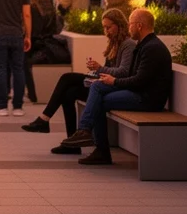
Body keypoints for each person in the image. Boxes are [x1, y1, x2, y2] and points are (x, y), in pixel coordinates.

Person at [61, 8, 173, 165]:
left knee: (99, 99)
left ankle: (94, 142)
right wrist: (110, 80)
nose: (129, 28)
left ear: (139, 26)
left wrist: (114, 81)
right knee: (97, 87)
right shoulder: (144, 45)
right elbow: (134, 78)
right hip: (138, 92)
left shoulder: (152, 48)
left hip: (147, 99)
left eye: (131, 24)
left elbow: (139, 81)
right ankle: (87, 134)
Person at [21, 8, 136, 154]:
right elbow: (108, 70)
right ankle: (70, 144)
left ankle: (44, 119)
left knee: (67, 78)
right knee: (68, 93)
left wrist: (99, 69)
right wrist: (95, 72)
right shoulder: (114, 44)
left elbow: (123, 72)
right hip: (104, 84)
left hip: (113, 88)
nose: (106, 31)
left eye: (109, 27)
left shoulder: (127, 44)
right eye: (104, 28)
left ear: (119, 25)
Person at [23, 0, 67, 104]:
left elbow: (35, 30)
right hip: (49, 43)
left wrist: (27, 38)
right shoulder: (50, 7)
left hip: (37, 43)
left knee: (23, 62)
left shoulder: (32, 7)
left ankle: (32, 93)